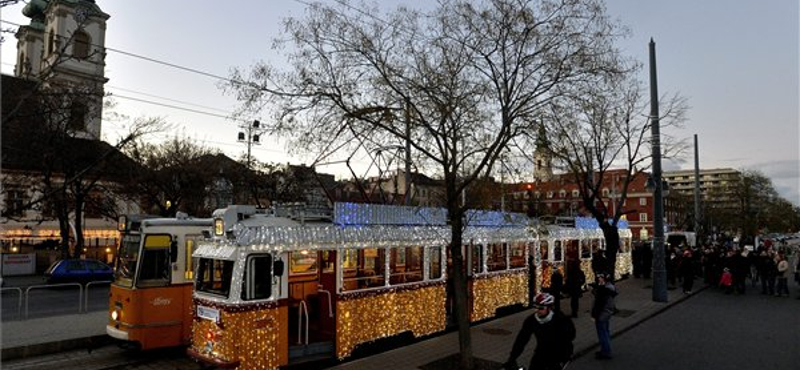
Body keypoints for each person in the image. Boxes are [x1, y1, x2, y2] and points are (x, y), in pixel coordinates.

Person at [504, 292, 576, 370]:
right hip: (541, 351)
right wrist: (512, 358)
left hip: (559, 352)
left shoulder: (560, 319)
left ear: (549, 308)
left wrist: (565, 355)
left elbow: (570, 336)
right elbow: (521, 339)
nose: (537, 310)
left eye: (541, 308)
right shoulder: (531, 320)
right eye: (535, 307)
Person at [590, 272, 618, 360]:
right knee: (605, 331)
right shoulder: (609, 288)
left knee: (602, 333)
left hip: (602, 314)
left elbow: (599, 303)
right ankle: (605, 349)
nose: (599, 279)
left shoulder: (604, 290)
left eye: (600, 277)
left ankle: (606, 352)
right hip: (607, 313)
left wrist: (594, 315)